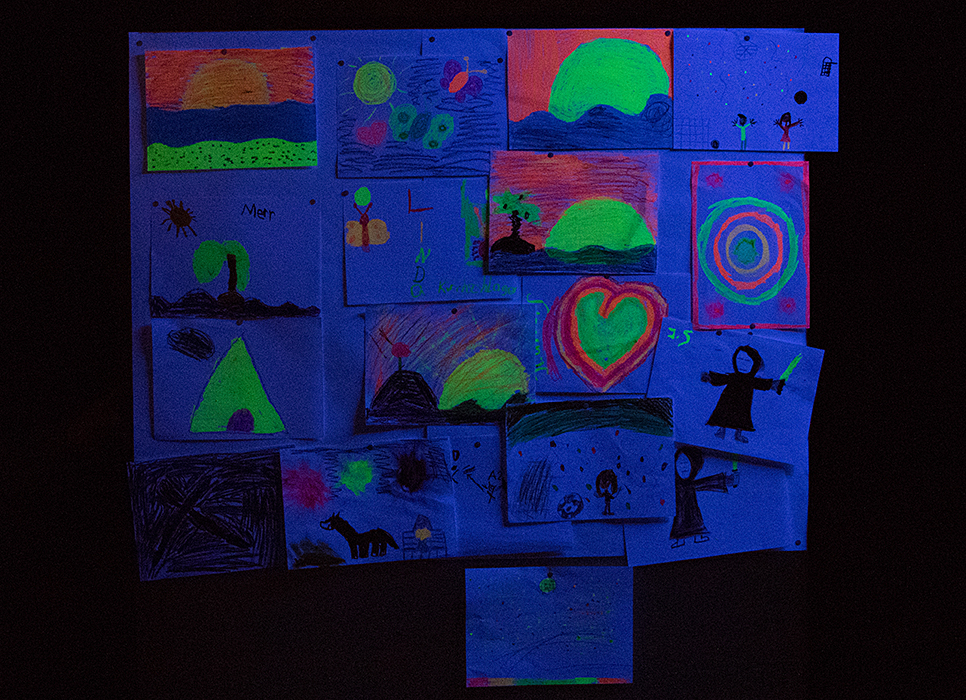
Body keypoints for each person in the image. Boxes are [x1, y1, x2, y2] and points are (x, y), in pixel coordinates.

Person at [701, 345, 783, 443]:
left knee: (741, 417)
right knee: (723, 413)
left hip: (743, 401)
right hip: (728, 398)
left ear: (754, 364)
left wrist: (773, 385)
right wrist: (710, 378)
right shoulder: (733, 377)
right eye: (740, 359)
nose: (743, 363)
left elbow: (761, 384)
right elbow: (722, 379)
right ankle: (721, 431)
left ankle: (737, 434)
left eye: (747, 361)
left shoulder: (750, 380)